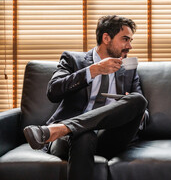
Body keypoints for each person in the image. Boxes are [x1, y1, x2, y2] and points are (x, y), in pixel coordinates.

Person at [23, 15, 149, 180]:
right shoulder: (72, 59)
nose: (130, 46)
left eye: (131, 40)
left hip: (109, 137)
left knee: (138, 100)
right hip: (70, 140)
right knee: (84, 134)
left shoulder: (129, 69)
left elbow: (143, 112)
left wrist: (126, 109)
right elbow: (53, 91)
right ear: (106, 38)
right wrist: (93, 70)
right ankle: (69, 129)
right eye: (125, 39)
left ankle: (61, 128)